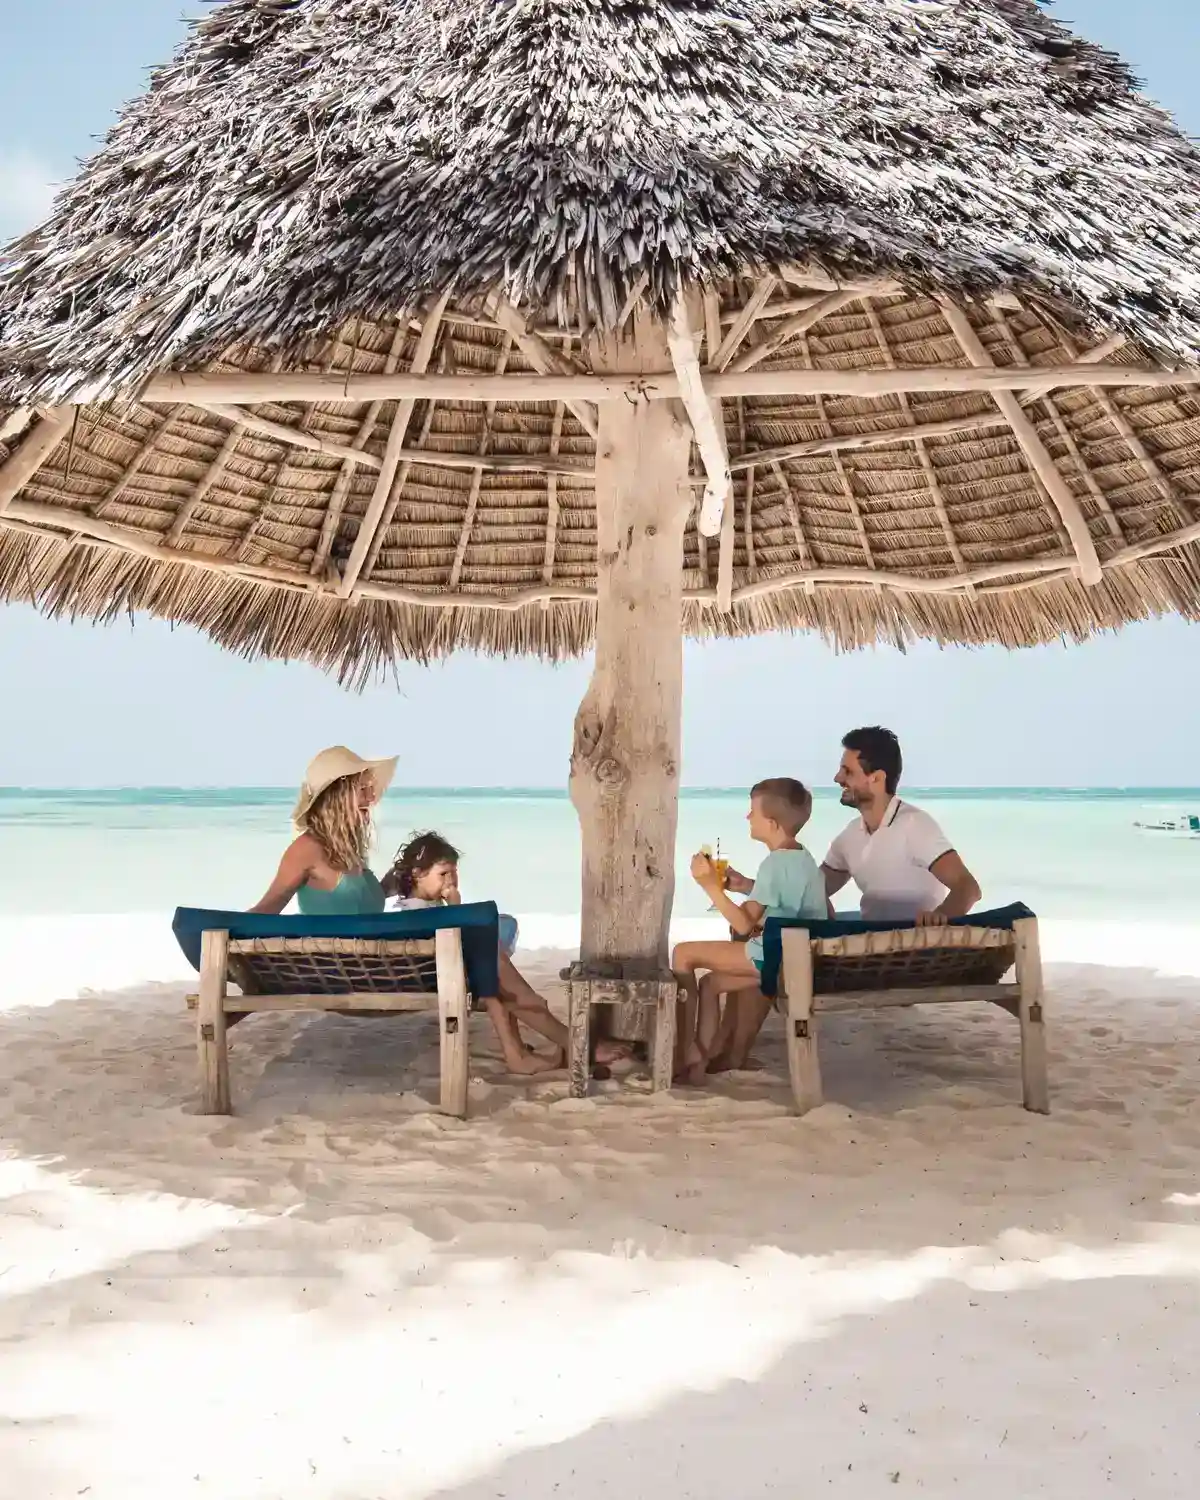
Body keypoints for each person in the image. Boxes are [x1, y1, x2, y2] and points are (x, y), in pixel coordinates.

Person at [380, 830, 629, 1076]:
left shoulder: (420, 907)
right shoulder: (415, 912)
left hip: (441, 971)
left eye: (454, 873)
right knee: (502, 976)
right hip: (434, 978)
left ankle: (519, 1055)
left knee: (496, 976)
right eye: (443, 873)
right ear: (417, 874)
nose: (451, 881)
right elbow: (451, 938)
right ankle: (577, 1044)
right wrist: (455, 907)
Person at [671, 778, 826, 1085]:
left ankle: (682, 1049)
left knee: (682, 954)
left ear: (772, 823)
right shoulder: (803, 858)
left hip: (779, 957)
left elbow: (743, 924)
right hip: (799, 957)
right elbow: (787, 902)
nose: (747, 817)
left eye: (752, 811)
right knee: (711, 984)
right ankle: (701, 1056)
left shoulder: (775, 863)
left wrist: (710, 887)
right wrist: (744, 886)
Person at [822, 727, 981, 923]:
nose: (837, 778)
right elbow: (812, 890)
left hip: (918, 941)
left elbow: (968, 888)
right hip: (868, 939)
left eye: (848, 772)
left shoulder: (915, 826)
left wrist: (940, 917)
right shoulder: (850, 836)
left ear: (877, 778)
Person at [250, 745, 396, 916]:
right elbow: (265, 911)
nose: (371, 798)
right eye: (363, 789)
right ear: (336, 795)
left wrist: (394, 882)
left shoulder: (349, 847)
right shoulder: (306, 849)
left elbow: (357, 907)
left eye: (370, 789)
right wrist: (225, 926)